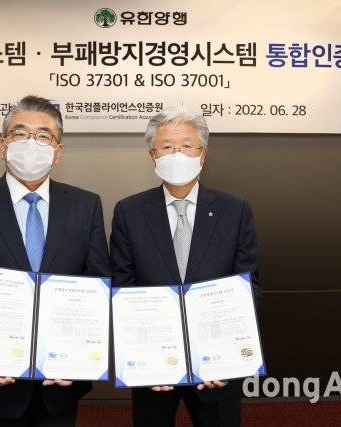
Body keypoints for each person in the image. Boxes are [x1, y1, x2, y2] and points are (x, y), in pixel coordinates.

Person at [0, 95, 110, 426]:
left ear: (58, 152)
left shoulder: (85, 205)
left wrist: (77, 354)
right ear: (3, 146)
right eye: (20, 133)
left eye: (43, 136)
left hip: (59, 383)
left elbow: (97, 283)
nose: (31, 143)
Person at [109, 106, 261, 427]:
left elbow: (248, 287)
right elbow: (123, 288)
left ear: (202, 154)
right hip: (154, 369)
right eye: (166, 146)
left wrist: (229, 356)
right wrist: (143, 356)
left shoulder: (234, 211)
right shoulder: (129, 212)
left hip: (217, 369)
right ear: (152, 156)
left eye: (186, 145)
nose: (176, 154)